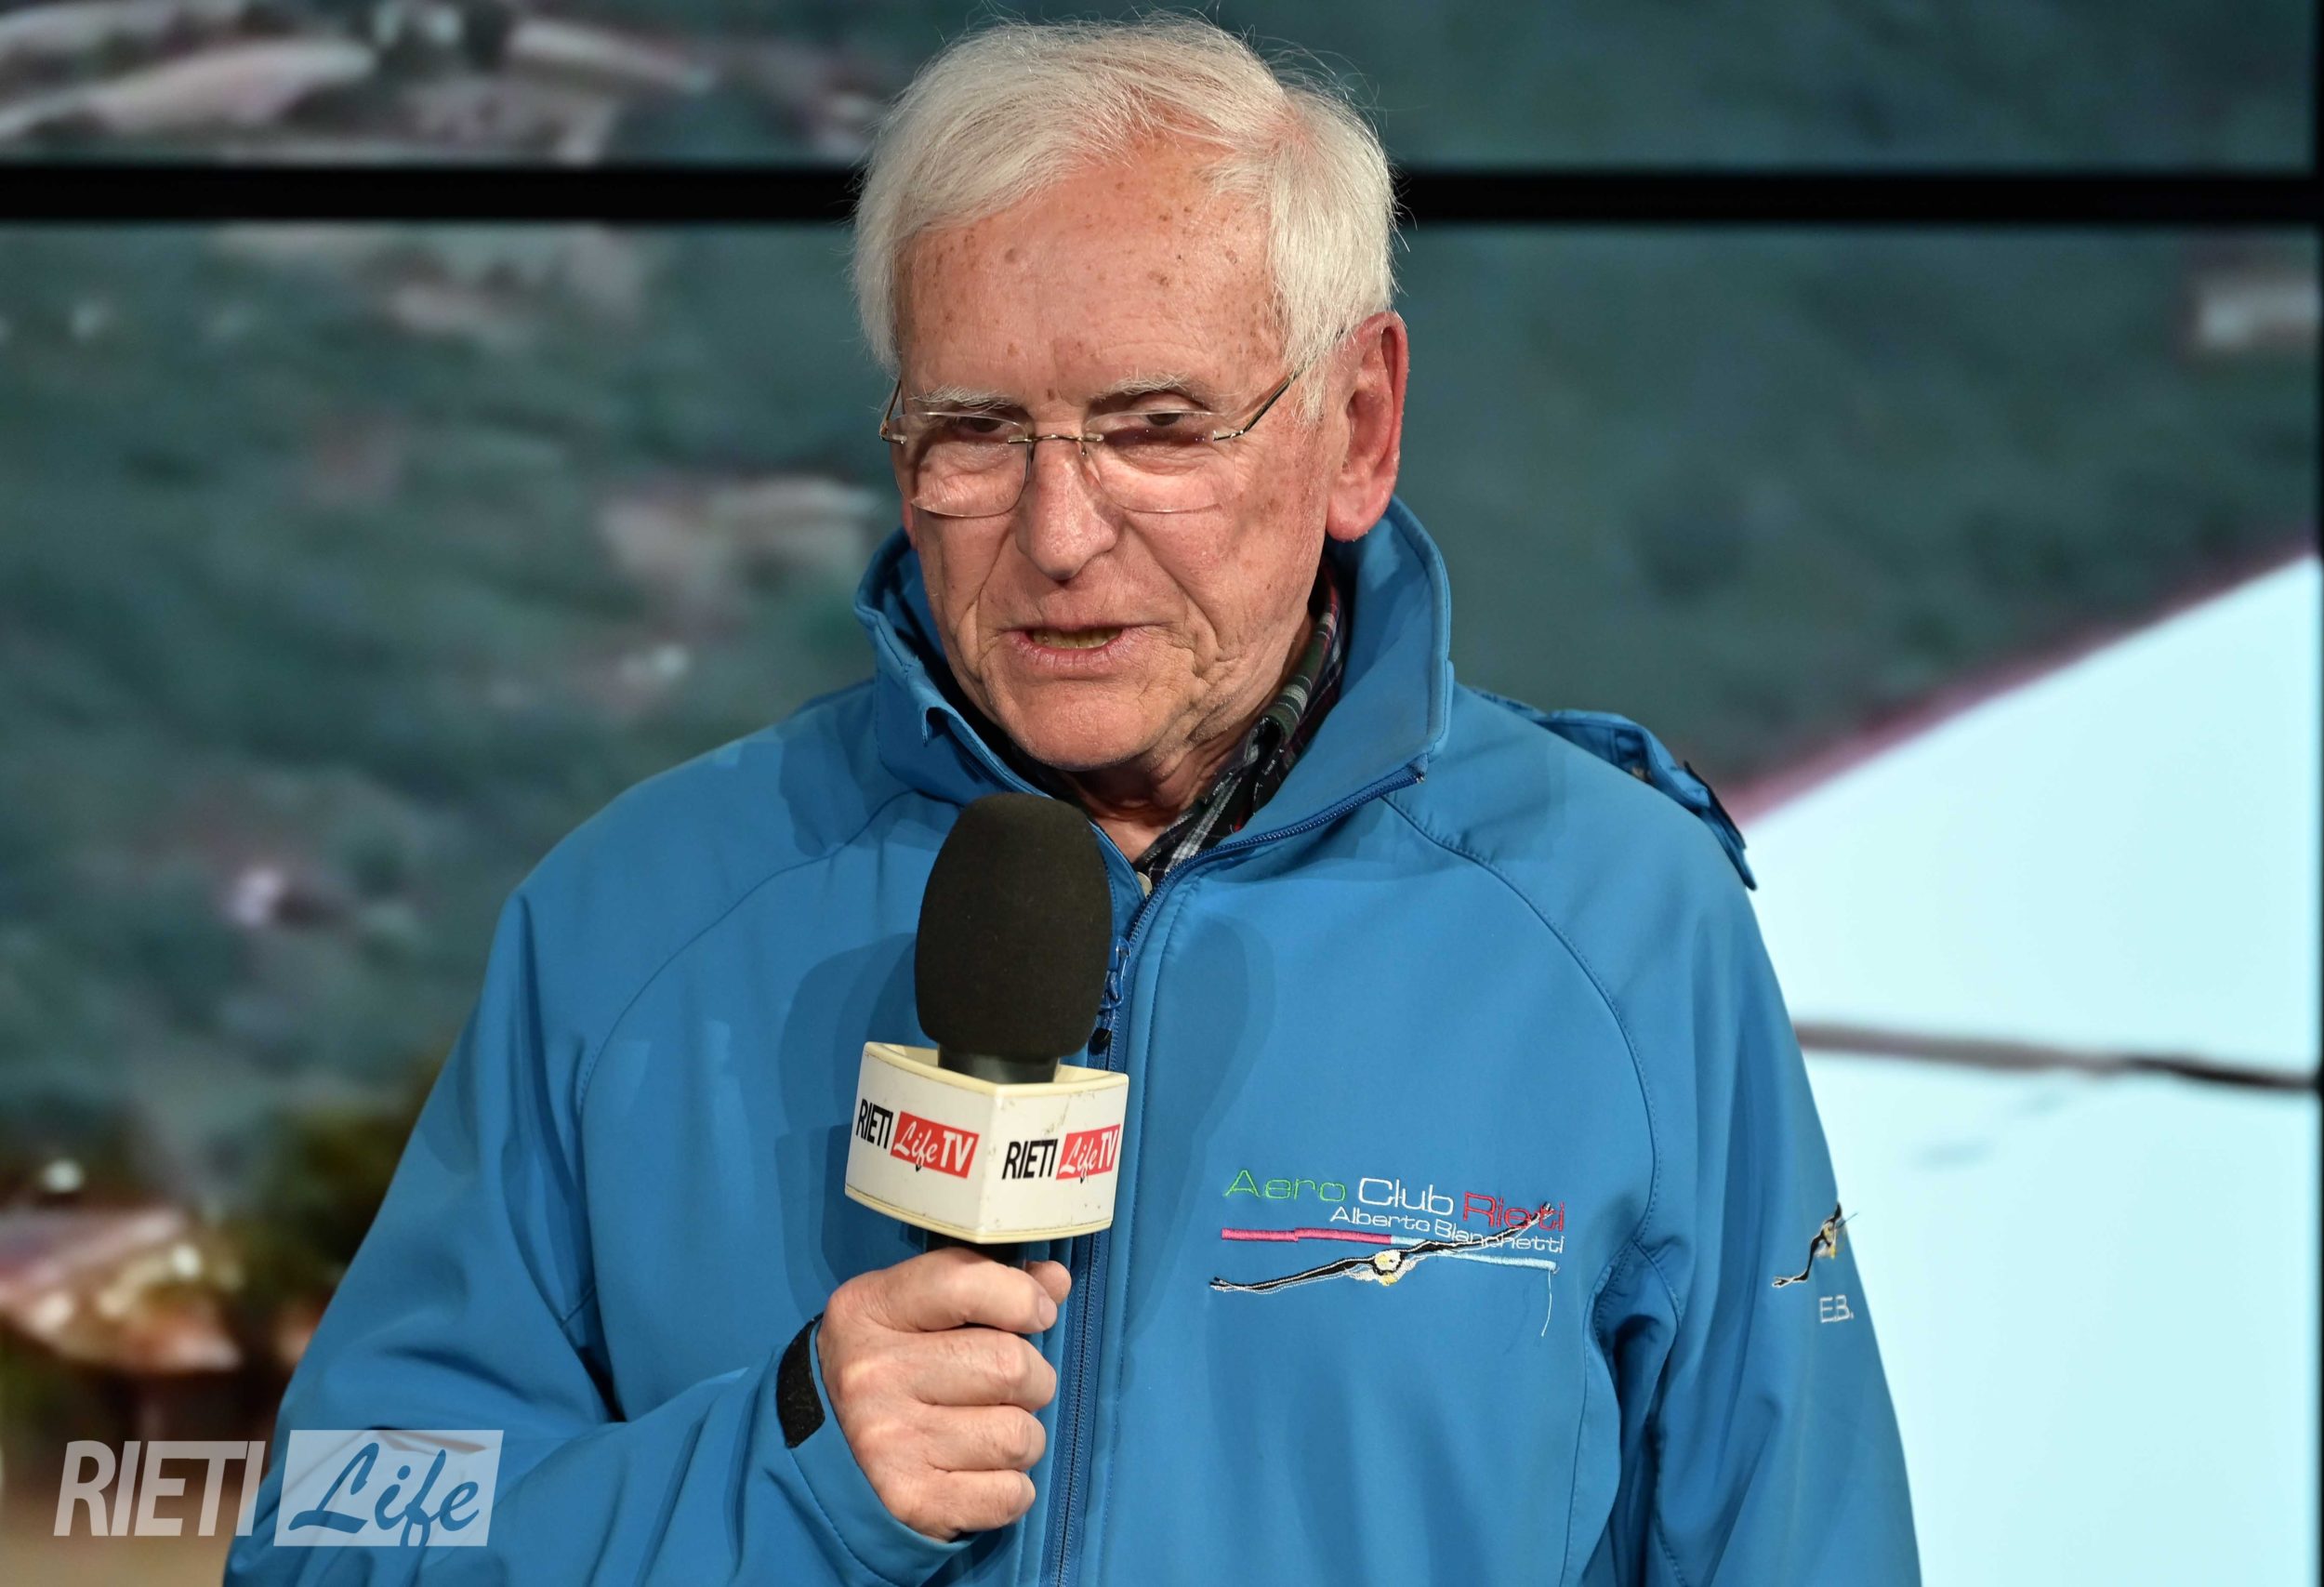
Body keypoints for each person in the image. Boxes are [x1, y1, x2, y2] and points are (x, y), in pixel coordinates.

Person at [227, 16, 1919, 1584]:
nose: (1056, 533)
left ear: (1357, 426)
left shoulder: (1623, 926)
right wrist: (776, 1469)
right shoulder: (632, 917)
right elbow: (331, 1527)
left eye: (1155, 429)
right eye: (975, 433)